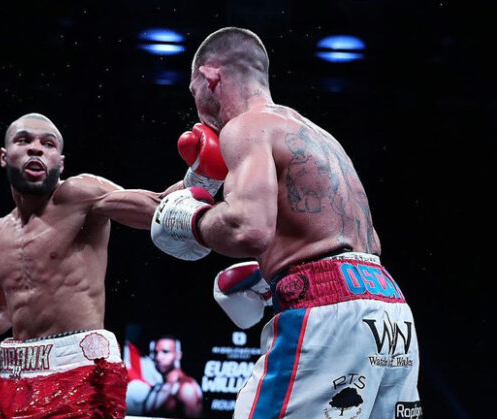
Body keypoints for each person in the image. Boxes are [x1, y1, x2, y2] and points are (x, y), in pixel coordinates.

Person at [151, 27, 421, 419]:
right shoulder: (320, 137)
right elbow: (352, 245)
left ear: (210, 78)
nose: (195, 104)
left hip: (329, 314)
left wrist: (190, 220)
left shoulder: (244, 127)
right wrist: (272, 277)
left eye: (193, 91)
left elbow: (249, 229)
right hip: (391, 311)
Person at [0, 113, 178, 419]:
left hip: (80, 373)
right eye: (24, 140)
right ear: (4, 157)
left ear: (60, 162)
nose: (36, 149)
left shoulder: (80, 193)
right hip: (13, 379)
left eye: (47, 144)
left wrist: (204, 176)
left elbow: (158, 208)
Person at [143, 336, 203, 418]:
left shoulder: (185, 387)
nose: (158, 357)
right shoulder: (157, 387)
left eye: (165, 352)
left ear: (178, 355)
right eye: (155, 352)